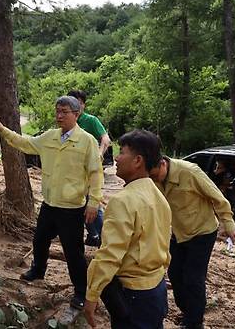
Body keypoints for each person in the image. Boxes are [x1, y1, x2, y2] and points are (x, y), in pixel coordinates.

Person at [0, 96, 103, 310]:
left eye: (64, 112)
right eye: (57, 111)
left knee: (73, 251)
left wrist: (94, 202)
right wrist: (3, 130)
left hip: (72, 208)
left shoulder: (87, 141)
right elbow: (26, 143)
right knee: (40, 240)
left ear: (76, 115)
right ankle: (38, 270)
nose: (59, 115)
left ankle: (80, 291)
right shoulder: (50, 137)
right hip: (50, 204)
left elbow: (96, 173)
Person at [84, 129, 171, 328]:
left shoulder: (122, 201)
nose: (116, 157)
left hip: (134, 294)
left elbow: (110, 254)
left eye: (122, 152)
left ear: (137, 160)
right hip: (156, 289)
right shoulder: (159, 197)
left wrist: (92, 294)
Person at [149, 154, 235, 329]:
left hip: (202, 232)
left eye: (153, 175)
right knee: (174, 274)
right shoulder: (153, 177)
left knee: (193, 278)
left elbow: (217, 197)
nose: (152, 179)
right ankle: (188, 311)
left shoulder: (190, 172)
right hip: (178, 233)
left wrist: (228, 222)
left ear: (162, 164)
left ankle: (195, 322)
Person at [68, 89, 111, 247]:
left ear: (83, 105)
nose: (76, 107)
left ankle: (105, 238)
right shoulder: (67, 121)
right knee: (80, 204)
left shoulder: (90, 120)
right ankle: (93, 235)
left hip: (90, 171)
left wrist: (99, 153)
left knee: (93, 203)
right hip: (73, 171)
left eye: (78, 103)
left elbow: (105, 139)